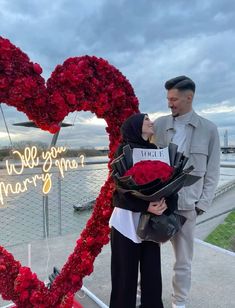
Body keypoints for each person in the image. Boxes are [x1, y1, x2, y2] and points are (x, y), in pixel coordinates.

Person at [153, 76, 220, 308]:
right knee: (148, 255)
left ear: (189, 97)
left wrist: (203, 204)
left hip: (187, 207)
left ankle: (179, 303)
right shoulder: (159, 125)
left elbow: (213, 171)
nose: (170, 103)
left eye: (174, 99)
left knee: (183, 261)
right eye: (168, 99)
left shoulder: (209, 130)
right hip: (158, 204)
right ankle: (144, 297)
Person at [109, 113, 168, 308]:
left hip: (150, 222)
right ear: (135, 126)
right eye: (146, 120)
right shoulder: (123, 151)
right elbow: (118, 194)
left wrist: (164, 203)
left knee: (152, 274)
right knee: (125, 275)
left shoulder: (157, 151)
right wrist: (145, 205)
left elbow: (167, 183)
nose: (152, 123)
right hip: (126, 221)